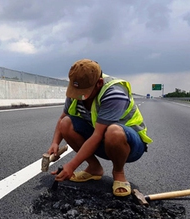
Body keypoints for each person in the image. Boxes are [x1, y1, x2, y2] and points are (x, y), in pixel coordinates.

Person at [47, 59, 153, 196]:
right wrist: (55, 143)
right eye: (76, 91)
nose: (79, 97)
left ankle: (118, 173)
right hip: (101, 140)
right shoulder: (76, 90)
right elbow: (62, 118)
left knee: (113, 131)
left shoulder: (114, 92)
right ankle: (94, 168)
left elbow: (97, 135)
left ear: (99, 83)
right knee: (66, 123)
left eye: (84, 93)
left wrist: (71, 166)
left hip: (129, 144)